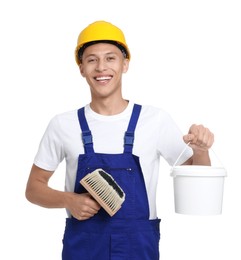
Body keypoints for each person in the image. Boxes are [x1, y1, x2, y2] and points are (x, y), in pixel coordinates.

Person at [25, 20, 214, 260]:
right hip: (83, 247)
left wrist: (201, 150)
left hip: (138, 246)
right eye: (92, 59)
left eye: (110, 58)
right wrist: (68, 200)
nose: (101, 67)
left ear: (125, 64)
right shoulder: (63, 124)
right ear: (81, 68)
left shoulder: (155, 120)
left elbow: (198, 183)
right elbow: (33, 188)